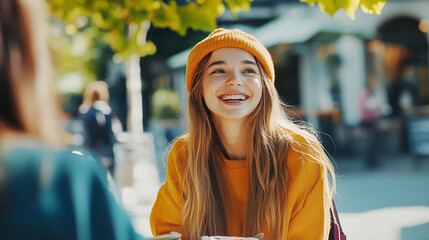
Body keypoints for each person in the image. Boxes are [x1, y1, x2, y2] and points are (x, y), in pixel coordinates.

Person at [150, 28, 336, 239]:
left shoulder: (301, 154)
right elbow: (168, 232)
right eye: (218, 71)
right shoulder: (184, 154)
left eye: (248, 71)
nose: (235, 80)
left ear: (264, 86)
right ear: (199, 88)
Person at [0, 0, 142, 239]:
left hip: (92, 152)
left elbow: (82, 133)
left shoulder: (85, 113)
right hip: (106, 156)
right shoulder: (61, 181)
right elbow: (115, 133)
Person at [79, 81, 120, 176]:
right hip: (108, 153)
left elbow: (82, 135)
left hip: (91, 154)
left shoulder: (85, 112)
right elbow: (116, 133)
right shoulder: (109, 111)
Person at [359, 74, 390, 168]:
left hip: (374, 120)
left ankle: (376, 159)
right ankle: (371, 161)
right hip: (367, 121)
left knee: (378, 138)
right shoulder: (365, 94)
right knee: (372, 140)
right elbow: (366, 109)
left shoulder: (374, 94)